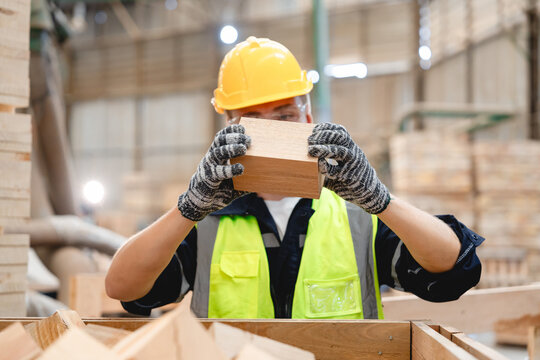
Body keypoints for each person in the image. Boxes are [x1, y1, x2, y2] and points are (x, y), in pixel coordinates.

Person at [105, 37, 483, 319]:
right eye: (253, 118)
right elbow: (123, 289)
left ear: (306, 118)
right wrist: (188, 208)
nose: (271, 131)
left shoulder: (358, 216)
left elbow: (453, 270)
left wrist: (379, 200)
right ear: (229, 125)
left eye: (285, 116)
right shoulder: (206, 223)